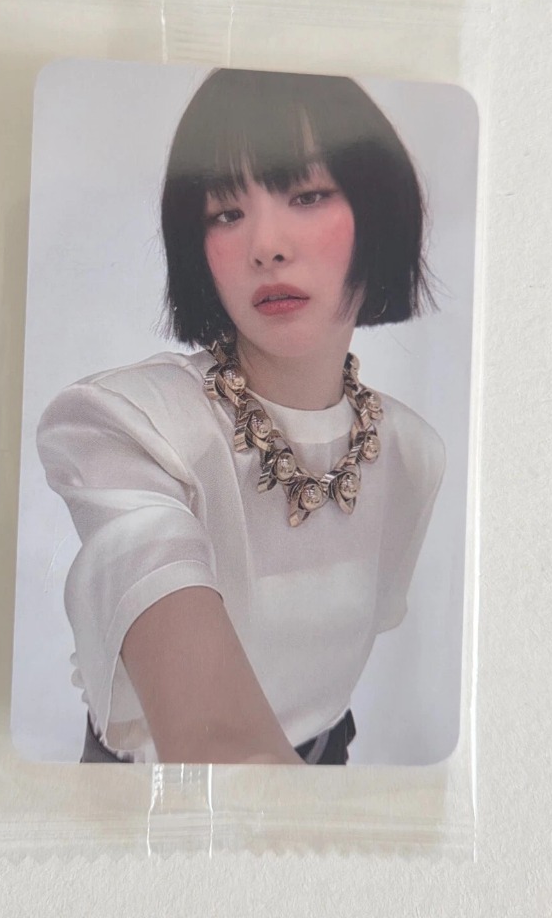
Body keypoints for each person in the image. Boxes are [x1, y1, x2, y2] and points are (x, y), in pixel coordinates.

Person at [37, 68, 446, 765]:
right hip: (152, 810)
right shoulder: (131, 426)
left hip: (327, 777)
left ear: (379, 209)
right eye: (226, 214)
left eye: (308, 195)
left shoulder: (411, 453)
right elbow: (217, 740)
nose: (266, 245)